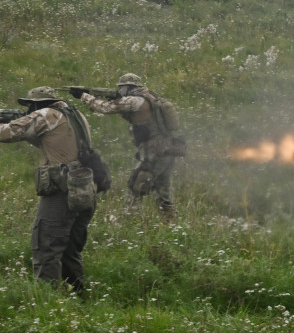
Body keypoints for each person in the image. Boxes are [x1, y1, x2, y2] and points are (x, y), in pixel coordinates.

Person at [0, 87, 99, 295]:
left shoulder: (46, 115)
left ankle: (47, 300)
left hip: (61, 191)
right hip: (84, 189)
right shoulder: (74, 114)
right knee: (70, 251)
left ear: (37, 104)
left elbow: (7, 133)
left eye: (30, 105)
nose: (29, 109)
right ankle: (78, 297)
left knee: (46, 246)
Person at [72, 73, 185, 219]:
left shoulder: (134, 100)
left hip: (154, 151)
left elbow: (106, 108)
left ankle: (130, 220)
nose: (120, 91)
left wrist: (84, 96)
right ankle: (170, 221)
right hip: (168, 148)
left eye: (121, 88)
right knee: (162, 189)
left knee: (135, 186)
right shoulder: (152, 96)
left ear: (127, 87)